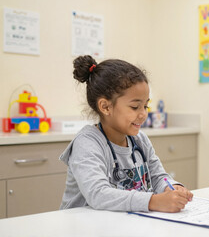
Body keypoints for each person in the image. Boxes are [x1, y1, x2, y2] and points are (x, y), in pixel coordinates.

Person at [60, 55, 192, 213]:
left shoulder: (139, 139)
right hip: (83, 226)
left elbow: (157, 176)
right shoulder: (87, 143)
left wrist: (172, 187)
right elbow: (98, 194)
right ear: (105, 107)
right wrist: (152, 201)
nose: (143, 114)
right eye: (135, 107)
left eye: (146, 106)